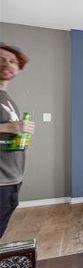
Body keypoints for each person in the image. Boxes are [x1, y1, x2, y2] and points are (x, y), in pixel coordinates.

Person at [0, 43, 34, 238]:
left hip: (12, 177)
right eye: (1, 59)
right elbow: (7, 129)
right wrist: (9, 128)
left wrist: (21, 132)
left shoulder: (7, 98)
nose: (7, 64)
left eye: (12, 61)